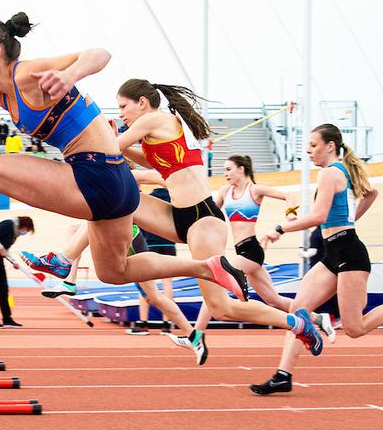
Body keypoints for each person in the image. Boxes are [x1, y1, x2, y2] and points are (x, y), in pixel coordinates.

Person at [0, 12, 249, 303]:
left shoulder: (26, 74)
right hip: (116, 184)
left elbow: (99, 54)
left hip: (97, 175)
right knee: (114, 271)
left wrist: (71, 75)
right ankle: (207, 268)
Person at [24, 79, 324, 360]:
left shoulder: (156, 118)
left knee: (223, 308)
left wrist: (80, 129)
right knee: (109, 198)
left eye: (124, 107)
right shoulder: (158, 129)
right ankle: (65, 259)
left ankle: (297, 324)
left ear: (142, 103)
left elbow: (112, 146)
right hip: (177, 215)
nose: (122, 114)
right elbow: (140, 156)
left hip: (203, 219)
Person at [251, 123, 383, 395]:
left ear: (330, 146)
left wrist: (280, 228)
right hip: (334, 252)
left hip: (350, 254)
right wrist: (349, 222)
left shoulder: (331, 173)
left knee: (355, 328)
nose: (308, 150)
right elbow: (371, 193)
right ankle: (283, 375)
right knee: (298, 311)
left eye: (313, 145)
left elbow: (318, 216)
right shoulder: (341, 171)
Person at [192, 154, 334, 340]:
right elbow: (209, 214)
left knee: (215, 280)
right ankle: (318, 318)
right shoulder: (225, 192)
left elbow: (288, 196)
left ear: (241, 169)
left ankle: (197, 335)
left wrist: (290, 215)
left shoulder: (254, 190)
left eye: (228, 169)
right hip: (240, 251)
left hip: (252, 251)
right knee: (273, 300)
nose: (225, 174)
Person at [0, 216, 33, 328]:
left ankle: (7, 319)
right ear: (23, 224)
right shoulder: (7, 225)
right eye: (26, 230)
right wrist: (0, 248)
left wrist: (13, 261)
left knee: (4, 289)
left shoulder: (15, 235)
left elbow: (6, 250)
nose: (25, 232)